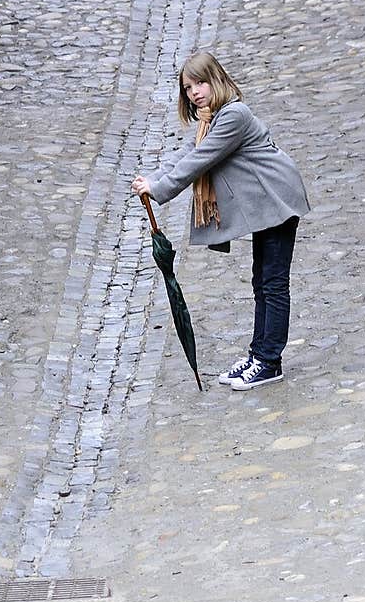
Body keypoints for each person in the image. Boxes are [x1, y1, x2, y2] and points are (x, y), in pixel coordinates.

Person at [132, 51, 310, 390]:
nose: (195, 92)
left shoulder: (234, 116)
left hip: (278, 199)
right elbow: (186, 155)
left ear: (217, 80)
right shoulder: (209, 121)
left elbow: (200, 160)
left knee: (272, 283)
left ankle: (270, 361)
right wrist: (151, 180)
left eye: (201, 82)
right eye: (188, 88)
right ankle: (259, 354)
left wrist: (160, 189)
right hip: (264, 205)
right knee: (261, 281)